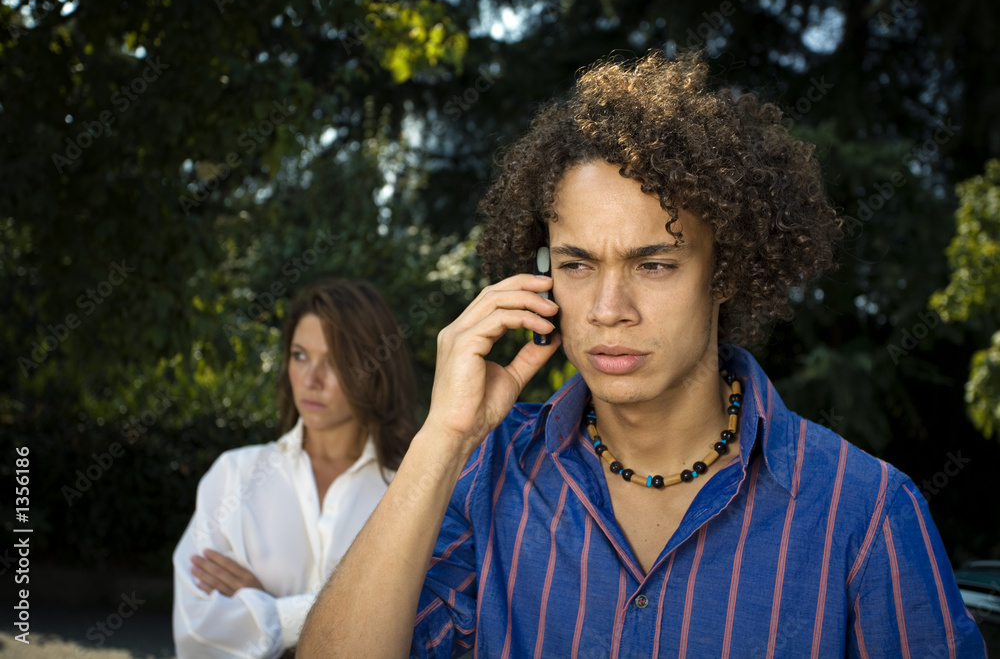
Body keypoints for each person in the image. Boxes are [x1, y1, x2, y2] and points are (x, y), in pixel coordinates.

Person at [298, 52, 987, 657]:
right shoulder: (489, 472)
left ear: (725, 273)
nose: (608, 308)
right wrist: (443, 438)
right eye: (576, 265)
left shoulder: (864, 513)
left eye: (653, 264)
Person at [172, 279, 418, 658]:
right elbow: (198, 633)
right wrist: (353, 617)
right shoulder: (234, 475)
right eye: (300, 355)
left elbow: (416, 629)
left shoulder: (409, 491)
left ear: (375, 369)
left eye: (333, 361)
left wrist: (269, 613)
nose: (310, 379)